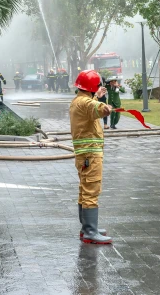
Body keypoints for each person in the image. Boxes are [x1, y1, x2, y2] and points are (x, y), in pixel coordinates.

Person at [70, 70, 113, 244]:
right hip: (91, 154)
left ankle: (87, 226)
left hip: (84, 155)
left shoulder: (78, 101)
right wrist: (105, 106)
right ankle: (90, 232)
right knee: (91, 190)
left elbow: (89, 107)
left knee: (84, 189)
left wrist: (96, 96)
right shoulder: (86, 103)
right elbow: (98, 109)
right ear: (92, 87)